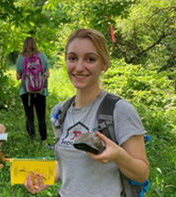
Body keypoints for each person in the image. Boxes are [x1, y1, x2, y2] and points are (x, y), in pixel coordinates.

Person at [24, 29, 149, 196]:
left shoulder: (119, 110)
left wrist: (119, 156)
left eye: (90, 59)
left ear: (104, 64)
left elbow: (142, 174)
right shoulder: (59, 112)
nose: (79, 67)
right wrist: (44, 180)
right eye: (73, 58)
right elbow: (66, 166)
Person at [15, 37, 50, 146]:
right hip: (41, 91)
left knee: (29, 116)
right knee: (41, 117)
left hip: (26, 92)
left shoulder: (21, 58)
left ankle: (33, 140)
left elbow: (17, 77)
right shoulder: (41, 56)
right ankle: (44, 142)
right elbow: (47, 74)